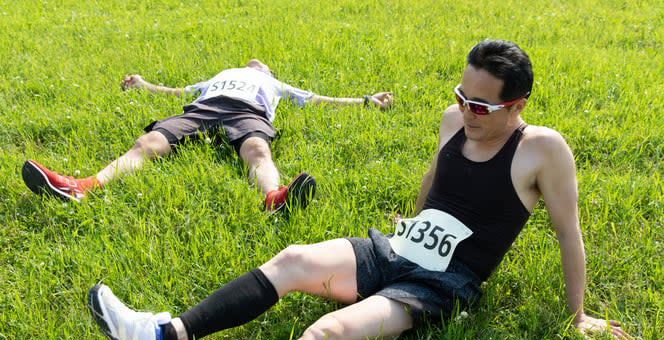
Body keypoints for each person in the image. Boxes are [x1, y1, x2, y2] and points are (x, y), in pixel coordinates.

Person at [89, 40, 631, 340]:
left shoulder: (543, 150)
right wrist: (409, 227)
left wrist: (578, 315)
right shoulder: (453, 120)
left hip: (444, 283)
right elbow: (433, 182)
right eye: (462, 96)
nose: (467, 111)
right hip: (400, 248)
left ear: (518, 106)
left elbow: (568, 232)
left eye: (482, 106)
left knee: (329, 333)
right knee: (294, 259)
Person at [21, 59, 393, 213]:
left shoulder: (273, 81)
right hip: (205, 108)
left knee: (257, 148)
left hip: (248, 113)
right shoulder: (217, 76)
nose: (255, 62)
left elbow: (317, 99)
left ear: (266, 70)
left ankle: (274, 198)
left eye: (260, 63)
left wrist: (365, 100)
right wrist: (144, 85)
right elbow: (179, 92)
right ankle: (84, 186)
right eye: (251, 61)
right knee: (147, 144)